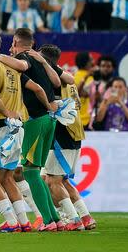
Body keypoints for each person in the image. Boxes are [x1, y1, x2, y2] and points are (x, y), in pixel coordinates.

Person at [0, 28, 62, 232]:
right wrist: (49, 107)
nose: (10, 49)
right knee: (36, 171)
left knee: (30, 172)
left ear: (17, 42)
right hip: (48, 120)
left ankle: (47, 221)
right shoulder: (39, 59)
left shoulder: (24, 58)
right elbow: (53, 83)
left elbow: (21, 65)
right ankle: (55, 218)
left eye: (12, 45)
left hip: (35, 121)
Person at [37, 44, 96, 231]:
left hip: (62, 135)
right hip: (73, 133)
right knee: (58, 180)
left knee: (52, 181)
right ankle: (85, 217)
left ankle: (73, 219)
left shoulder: (53, 76)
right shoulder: (65, 76)